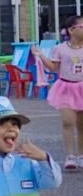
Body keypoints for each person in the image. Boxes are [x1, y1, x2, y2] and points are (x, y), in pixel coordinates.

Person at [32, 15, 83, 170]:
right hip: (66, 87)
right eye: (82, 26)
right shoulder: (60, 48)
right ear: (71, 30)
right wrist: (40, 55)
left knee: (82, 125)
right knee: (68, 121)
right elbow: (53, 68)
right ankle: (70, 156)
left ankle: (81, 155)